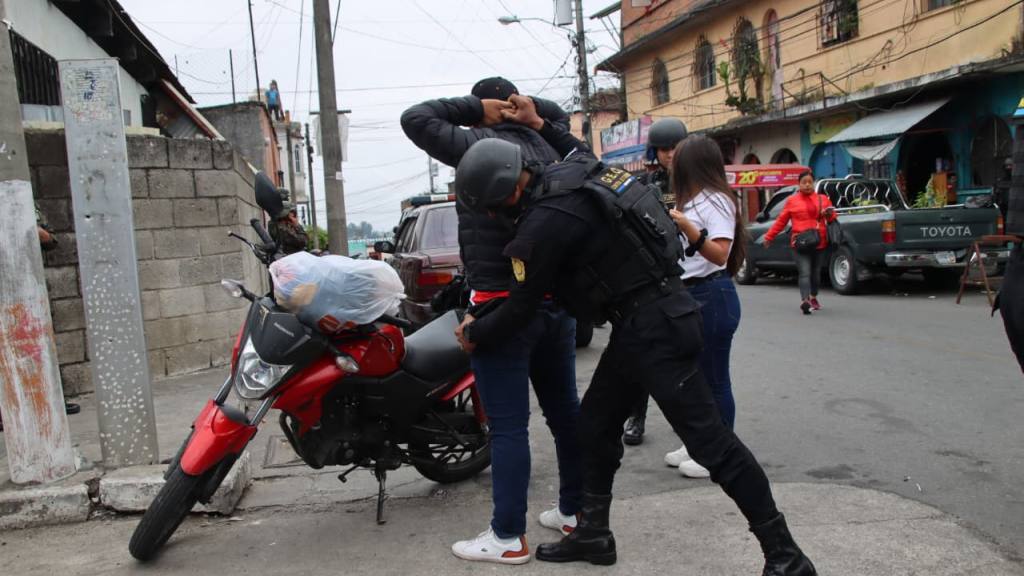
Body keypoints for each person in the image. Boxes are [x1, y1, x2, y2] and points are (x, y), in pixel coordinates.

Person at [454, 95, 816, 574]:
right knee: (594, 426)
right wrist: (541, 123)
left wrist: (476, 331)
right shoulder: (574, 170)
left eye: (489, 208)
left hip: (656, 329)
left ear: (505, 196)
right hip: (643, 323)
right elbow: (580, 150)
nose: (490, 217)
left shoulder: (541, 224)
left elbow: (521, 308)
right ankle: (593, 533)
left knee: (713, 445)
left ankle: (786, 555)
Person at [401, 78, 583, 564]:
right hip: (555, 305)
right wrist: (531, 110)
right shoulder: (547, 143)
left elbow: (415, 118)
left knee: (507, 427)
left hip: (500, 308)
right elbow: (559, 116)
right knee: (565, 414)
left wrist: (472, 109)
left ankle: (507, 537)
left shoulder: (474, 147)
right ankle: (574, 512)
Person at [657, 135, 748, 478]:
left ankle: (719, 454)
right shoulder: (690, 199)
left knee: (715, 380)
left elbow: (720, 254)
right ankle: (699, 442)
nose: (672, 161)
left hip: (712, 294)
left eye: (678, 157)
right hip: (690, 295)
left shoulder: (717, 200)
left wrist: (688, 228)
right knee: (695, 380)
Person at [622, 117, 687, 446]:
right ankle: (637, 416)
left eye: (675, 147)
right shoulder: (646, 184)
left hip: (690, 276)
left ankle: (690, 423)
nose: (670, 154)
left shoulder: (697, 183)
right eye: (663, 149)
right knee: (643, 353)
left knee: (687, 357)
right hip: (653, 279)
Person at [763, 171, 837, 315]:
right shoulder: (792, 201)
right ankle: (805, 301)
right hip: (800, 243)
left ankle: (813, 296)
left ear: (813, 183)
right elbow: (781, 221)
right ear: (799, 184)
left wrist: (828, 214)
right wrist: (769, 237)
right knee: (805, 272)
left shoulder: (823, 199)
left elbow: (832, 218)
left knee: (816, 273)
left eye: (810, 182)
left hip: (819, 242)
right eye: (804, 182)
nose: (807, 185)